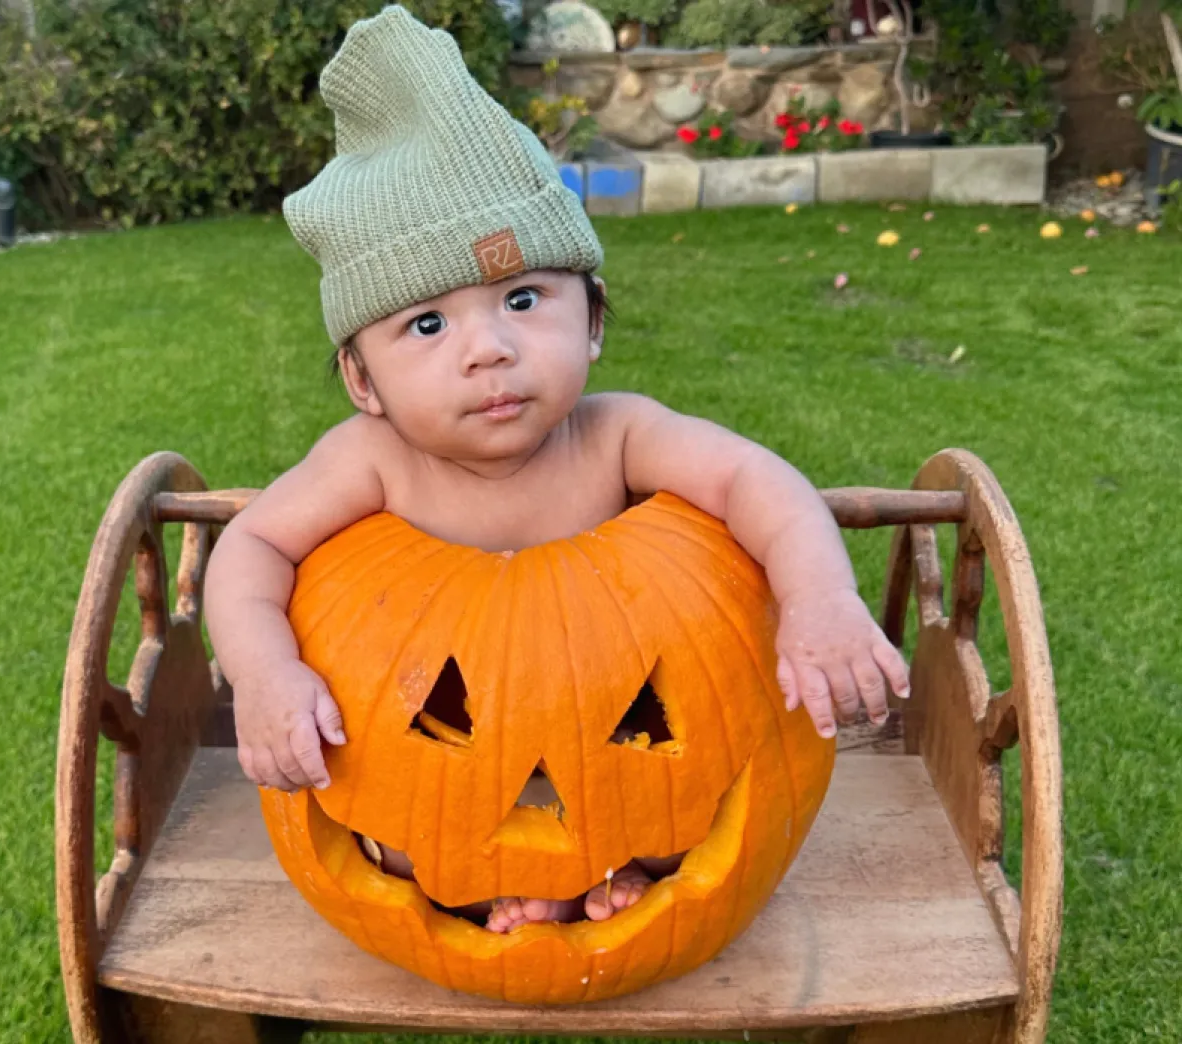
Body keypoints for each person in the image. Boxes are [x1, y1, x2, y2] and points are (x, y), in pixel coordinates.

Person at [202, 4, 909, 934]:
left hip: (606, 736)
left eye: (524, 298)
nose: (488, 350)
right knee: (397, 808)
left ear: (595, 321)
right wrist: (263, 672)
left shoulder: (615, 435)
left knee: (671, 780)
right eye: (427, 324)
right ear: (361, 379)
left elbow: (753, 480)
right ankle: (518, 884)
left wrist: (818, 598)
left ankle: (603, 874)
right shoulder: (371, 462)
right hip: (449, 751)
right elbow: (250, 545)